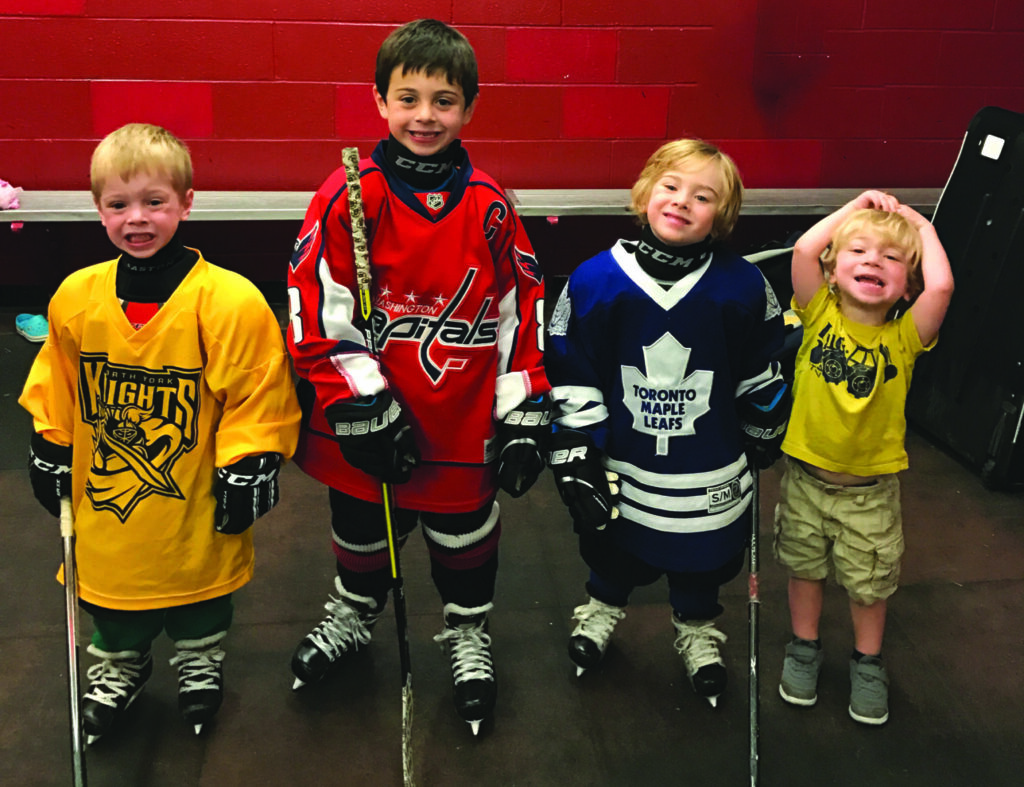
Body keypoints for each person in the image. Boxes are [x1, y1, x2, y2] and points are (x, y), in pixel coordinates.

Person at [285, 19, 550, 735]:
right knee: (363, 524)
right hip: (374, 409)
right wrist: (359, 401)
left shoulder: (489, 201)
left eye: (443, 100)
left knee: (465, 533)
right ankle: (355, 609)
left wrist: (523, 402)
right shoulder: (347, 194)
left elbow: (518, 301)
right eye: (408, 98)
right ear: (379, 101)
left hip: (458, 414)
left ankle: (468, 631)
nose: (424, 115)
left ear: (469, 108)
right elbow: (315, 303)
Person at [19, 123, 301, 741]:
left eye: (155, 201)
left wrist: (252, 457)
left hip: (193, 492)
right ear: (98, 210)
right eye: (118, 205)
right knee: (114, 596)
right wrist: (50, 441)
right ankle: (121, 665)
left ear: (187, 202)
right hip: (106, 501)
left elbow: (258, 389)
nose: (136, 219)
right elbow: (58, 381)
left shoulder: (229, 302)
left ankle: (200, 660)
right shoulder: (77, 297)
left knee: (202, 590)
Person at [546, 139, 789, 707]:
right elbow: (571, 365)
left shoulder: (743, 285)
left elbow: (761, 362)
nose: (682, 202)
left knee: (702, 560)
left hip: (707, 467)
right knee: (613, 548)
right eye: (672, 186)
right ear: (645, 192)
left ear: (722, 217)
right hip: (626, 463)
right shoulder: (594, 280)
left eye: (703, 196)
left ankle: (697, 628)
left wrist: (765, 412)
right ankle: (603, 608)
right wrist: (577, 443)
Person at [774, 190, 954, 725]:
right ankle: (804, 647)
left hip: (868, 495)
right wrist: (854, 208)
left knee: (868, 585)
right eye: (858, 251)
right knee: (804, 571)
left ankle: (867, 662)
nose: (873, 260)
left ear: (906, 285)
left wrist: (919, 224)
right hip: (805, 480)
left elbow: (942, 284)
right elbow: (806, 251)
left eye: (891, 258)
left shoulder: (905, 338)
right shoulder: (817, 314)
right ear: (833, 272)